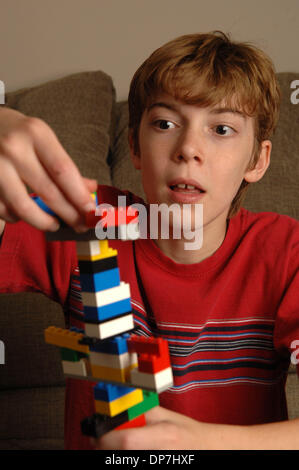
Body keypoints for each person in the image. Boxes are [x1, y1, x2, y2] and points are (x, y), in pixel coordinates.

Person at [0, 32, 298, 450]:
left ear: (258, 160)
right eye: (165, 123)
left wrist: (201, 443)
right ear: (136, 147)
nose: (189, 148)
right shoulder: (92, 222)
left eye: (222, 128)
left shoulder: (285, 252)